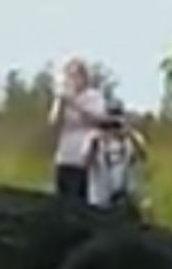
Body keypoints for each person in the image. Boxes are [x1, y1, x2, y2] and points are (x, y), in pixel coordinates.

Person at [48, 58, 108, 202]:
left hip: (83, 158)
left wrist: (73, 103)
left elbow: (99, 119)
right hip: (64, 156)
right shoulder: (63, 99)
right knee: (62, 200)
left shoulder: (94, 96)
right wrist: (60, 104)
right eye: (69, 76)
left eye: (74, 75)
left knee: (79, 200)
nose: (72, 80)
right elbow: (53, 123)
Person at [84, 101, 150, 219]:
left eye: (116, 121)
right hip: (100, 202)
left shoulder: (132, 138)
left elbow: (144, 156)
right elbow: (85, 163)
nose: (112, 127)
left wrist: (128, 133)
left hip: (126, 201)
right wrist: (96, 143)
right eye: (110, 120)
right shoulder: (93, 138)